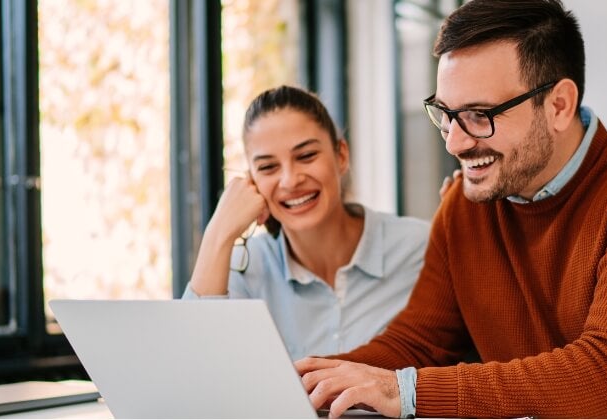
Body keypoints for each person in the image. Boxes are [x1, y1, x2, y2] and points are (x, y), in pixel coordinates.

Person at [294, 0, 607, 418]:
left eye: (480, 115)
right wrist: (306, 387)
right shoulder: (467, 203)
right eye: (447, 114)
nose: (455, 142)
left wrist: (404, 392)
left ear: (558, 105)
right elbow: (420, 343)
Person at [182, 85, 429, 362]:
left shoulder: (420, 248)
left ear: (341, 156)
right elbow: (192, 367)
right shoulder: (244, 269)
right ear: (251, 180)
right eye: (267, 167)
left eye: (306, 156)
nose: (290, 180)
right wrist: (219, 233)